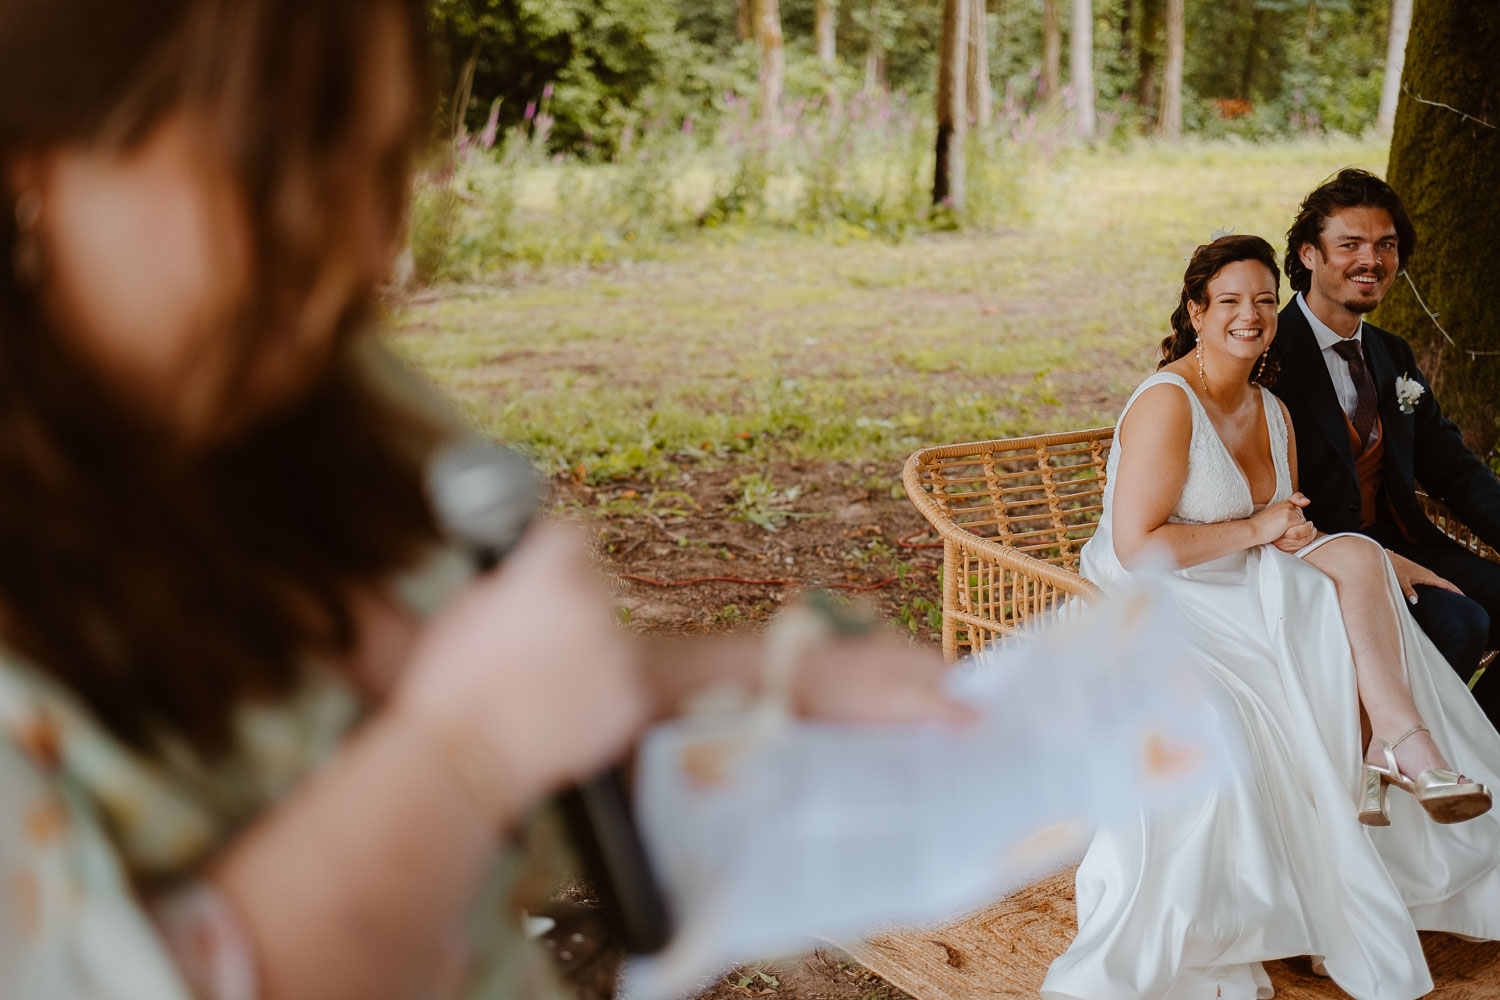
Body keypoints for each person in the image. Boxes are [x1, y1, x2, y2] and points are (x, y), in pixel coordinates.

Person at [0, 3, 972, 999]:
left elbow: (493, 678)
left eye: (382, 170)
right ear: (31, 147)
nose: (373, 251)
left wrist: (765, 683)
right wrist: (462, 752)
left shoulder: (322, 386)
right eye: (285, 168)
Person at [1040, 235, 1500, 1000]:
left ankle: (1395, 741)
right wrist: (1259, 530)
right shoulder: (1166, 402)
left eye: (1262, 299)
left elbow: (1295, 531)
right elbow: (1138, 547)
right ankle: (1357, 814)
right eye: (1229, 301)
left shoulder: (1273, 409)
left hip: (1243, 581)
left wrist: (1390, 563)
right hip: (1160, 598)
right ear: (1195, 312)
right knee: (1259, 702)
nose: (1250, 316)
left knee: (1352, 568)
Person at [1271, 168, 1500, 726]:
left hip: (1406, 538)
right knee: (1461, 623)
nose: (1371, 260)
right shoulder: (1269, 356)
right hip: (1320, 559)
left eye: (1386, 245)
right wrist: (1363, 558)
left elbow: (1455, 471)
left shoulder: (1392, 354)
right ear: (1309, 254)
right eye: (1349, 244)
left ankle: (1476, 743)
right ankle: (1393, 753)